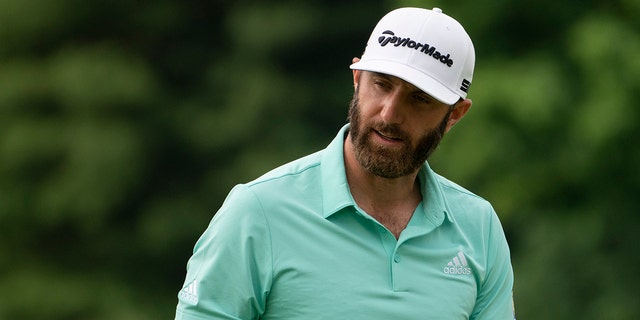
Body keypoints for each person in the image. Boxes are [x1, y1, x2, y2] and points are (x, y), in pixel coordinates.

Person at [175, 7, 515, 320]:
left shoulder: (478, 227)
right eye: (382, 84)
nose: (390, 113)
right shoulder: (257, 213)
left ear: (454, 115)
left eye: (419, 99)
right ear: (357, 80)